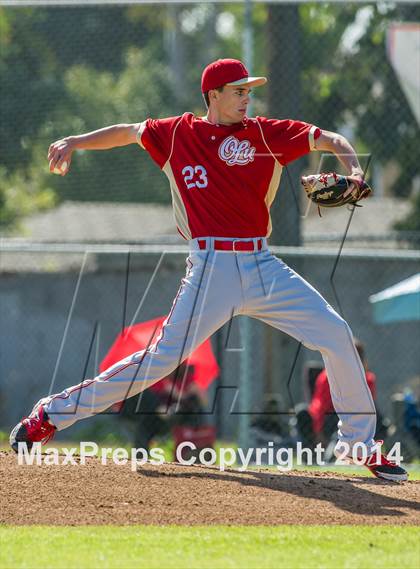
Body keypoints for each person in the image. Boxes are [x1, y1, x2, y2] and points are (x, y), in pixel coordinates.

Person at [10, 58, 407, 481]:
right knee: (160, 360)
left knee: (336, 333)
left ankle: (358, 443)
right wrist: (74, 140)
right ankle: (50, 414)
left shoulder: (266, 133)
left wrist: (356, 168)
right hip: (210, 267)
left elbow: (328, 138)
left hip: (261, 264)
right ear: (213, 95)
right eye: (238, 91)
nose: (246, 98)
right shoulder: (179, 132)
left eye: (248, 91)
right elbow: (127, 132)